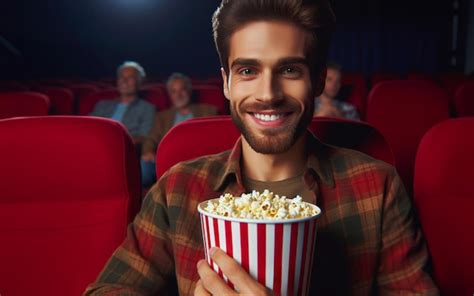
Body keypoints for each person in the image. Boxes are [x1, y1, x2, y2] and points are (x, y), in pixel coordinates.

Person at [85, 1, 439, 295]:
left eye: (289, 69)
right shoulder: (176, 189)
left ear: (317, 81)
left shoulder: (377, 188)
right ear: (226, 83)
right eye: (248, 71)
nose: (268, 94)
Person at [140, 73, 217, 187]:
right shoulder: (162, 117)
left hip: (199, 160)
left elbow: (215, 138)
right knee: (145, 166)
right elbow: (151, 138)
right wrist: (148, 151)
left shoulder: (208, 111)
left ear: (189, 91)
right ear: (169, 95)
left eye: (182, 90)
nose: (178, 95)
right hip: (169, 162)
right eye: (173, 91)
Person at [90, 61, 155, 144]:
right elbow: (89, 127)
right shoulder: (102, 105)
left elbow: (144, 136)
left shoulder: (147, 108)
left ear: (140, 82)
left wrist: (115, 142)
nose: (124, 81)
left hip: (122, 149)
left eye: (130, 77)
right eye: (121, 77)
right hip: (96, 144)